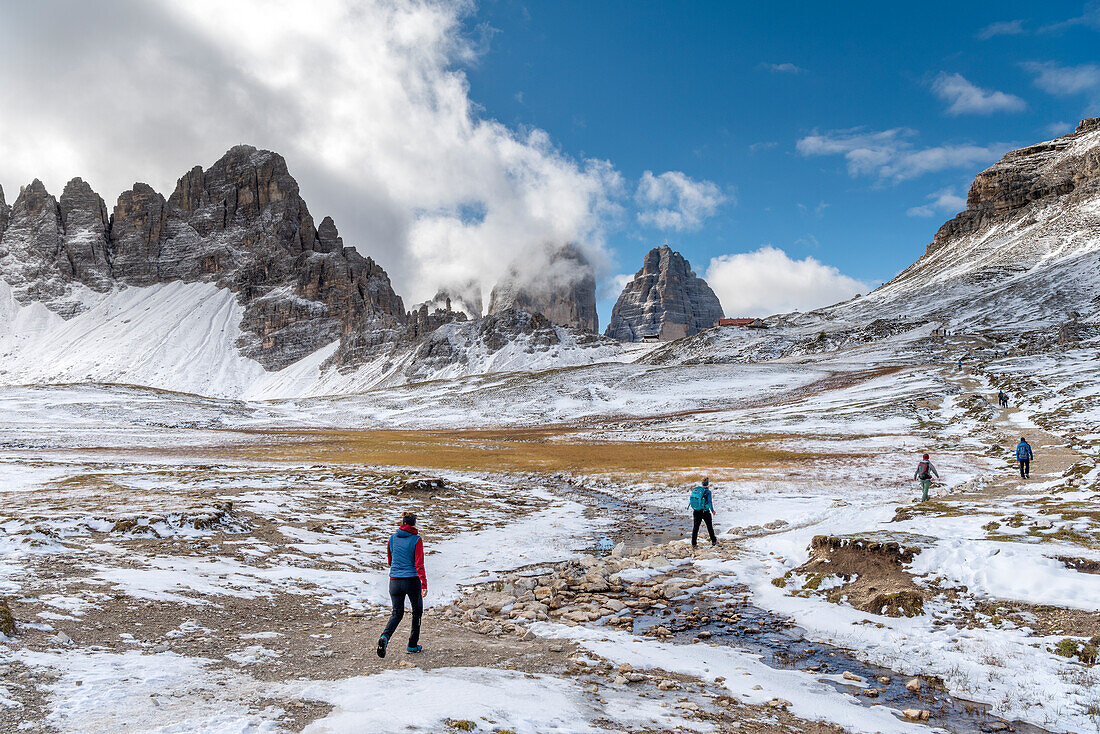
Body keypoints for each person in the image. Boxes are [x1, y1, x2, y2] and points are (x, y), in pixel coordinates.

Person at [377, 512, 428, 658]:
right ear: (413, 523)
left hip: (394, 581)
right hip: (411, 580)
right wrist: (423, 583)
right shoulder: (416, 539)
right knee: (417, 612)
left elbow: (390, 560)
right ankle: (412, 645)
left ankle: (385, 637)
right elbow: (419, 564)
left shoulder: (392, 538)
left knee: (397, 613)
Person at [688, 478, 717, 548]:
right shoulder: (708, 492)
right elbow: (710, 502)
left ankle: (694, 544)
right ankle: (714, 541)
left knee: (695, 527)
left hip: (696, 510)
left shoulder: (697, 490)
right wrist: (712, 510)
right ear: (708, 484)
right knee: (709, 526)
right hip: (705, 511)